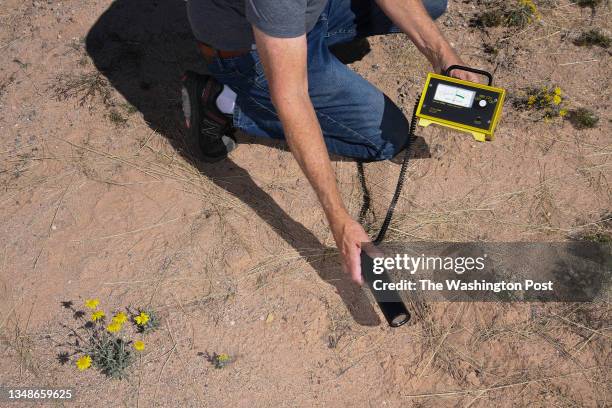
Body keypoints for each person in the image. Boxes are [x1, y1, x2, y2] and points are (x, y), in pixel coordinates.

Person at [182, 0, 477, 285]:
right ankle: (222, 100)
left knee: (431, 3)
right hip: (250, 53)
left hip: (304, 19)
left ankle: (317, 57)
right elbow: (292, 97)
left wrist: (445, 57)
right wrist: (339, 219)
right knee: (387, 136)